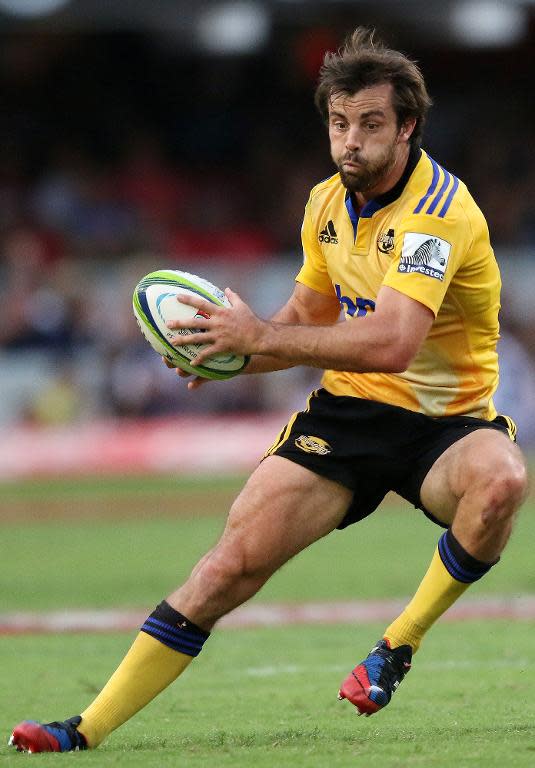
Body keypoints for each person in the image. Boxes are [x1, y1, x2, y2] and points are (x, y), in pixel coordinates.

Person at [9, 27, 527, 753]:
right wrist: (226, 354)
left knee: (502, 480)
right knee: (224, 569)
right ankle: (81, 729)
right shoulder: (323, 204)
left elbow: (391, 342)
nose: (350, 142)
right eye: (338, 124)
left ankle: (395, 646)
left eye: (371, 125)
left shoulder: (436, 211)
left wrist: (258, 339)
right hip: (346, 418)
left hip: (448, 426)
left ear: (407, 126)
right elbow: (300, 324)